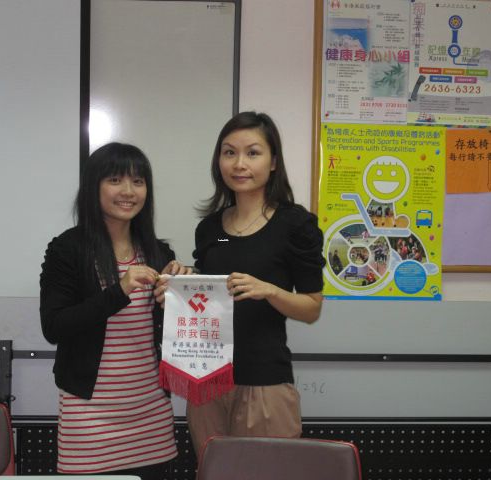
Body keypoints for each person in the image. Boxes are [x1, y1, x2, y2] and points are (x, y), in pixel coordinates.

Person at [39, 142, 190, 478]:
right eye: (115, 180)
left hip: (150, 415)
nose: (128, 191)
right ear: (93, 187)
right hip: (88, 416)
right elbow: (54, 326)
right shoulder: (68, 249)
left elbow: (170, 334)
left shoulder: (159, 252)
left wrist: (182, 297)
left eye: (138, 181)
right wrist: (119, 291)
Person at [183, 111, 325, 458]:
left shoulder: (295, 225)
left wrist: (270, 290)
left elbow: (311, 308)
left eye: (253, 153)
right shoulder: (211, 229)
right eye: (229, 152)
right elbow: (211, 290)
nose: (239, 164)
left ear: (273, 162)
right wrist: (183, 280)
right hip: (208, 380)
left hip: (265, 382)